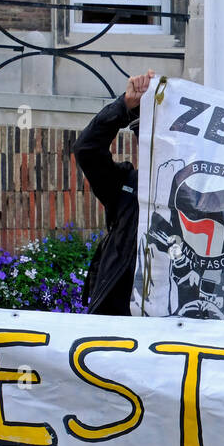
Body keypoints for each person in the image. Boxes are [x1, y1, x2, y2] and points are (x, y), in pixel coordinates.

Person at [72, 70, 155, 316]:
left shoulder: (197, 197)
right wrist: (124, 106)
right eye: (146, 138)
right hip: (117, 320)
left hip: (172, 328)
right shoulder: (125, 185)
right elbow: (87, 150)